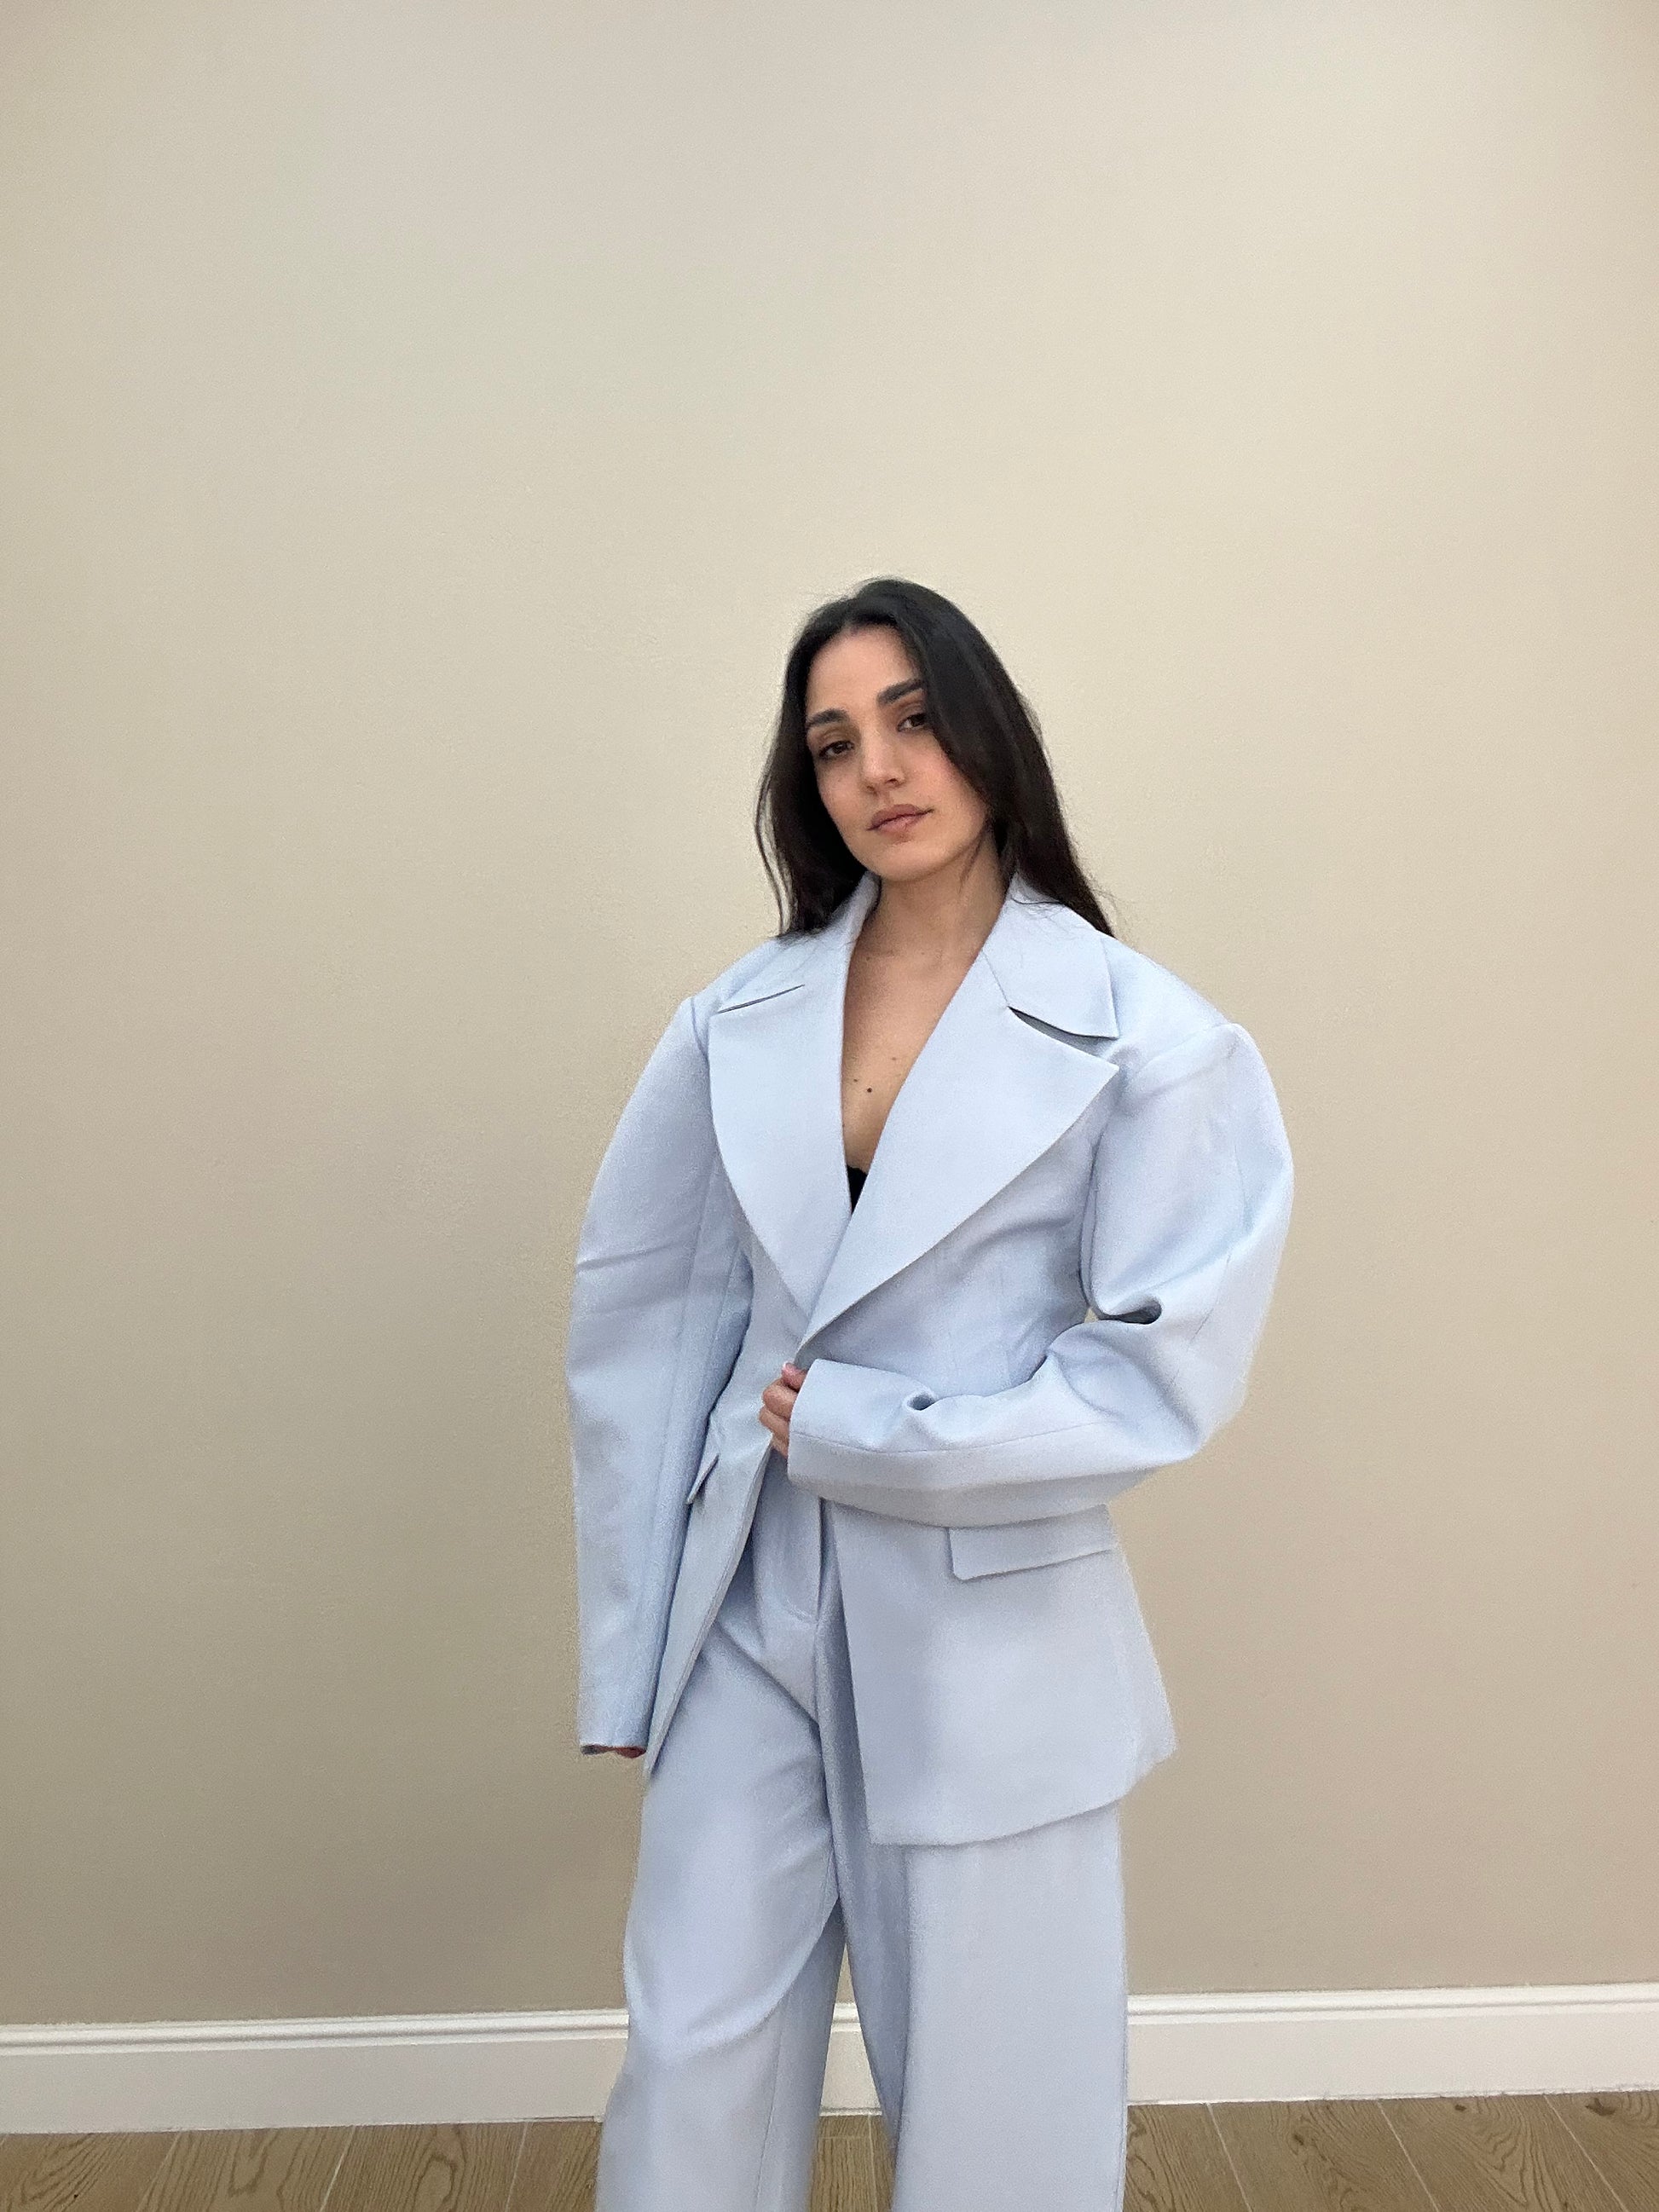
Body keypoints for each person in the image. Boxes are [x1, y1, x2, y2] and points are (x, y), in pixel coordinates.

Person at [565, 576, 1295, 2212]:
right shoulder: (732, 1020)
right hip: (747, 1599)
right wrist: (629, 1645)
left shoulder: (1148, 1038)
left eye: (911, 720)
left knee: (995, 2101)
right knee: (690, 2052)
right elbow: (644, 1328)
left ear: (985, 734)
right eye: (833, 743)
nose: (878, 770)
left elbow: (1157, 1373)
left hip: (988, 1621)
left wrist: (878, 1438)